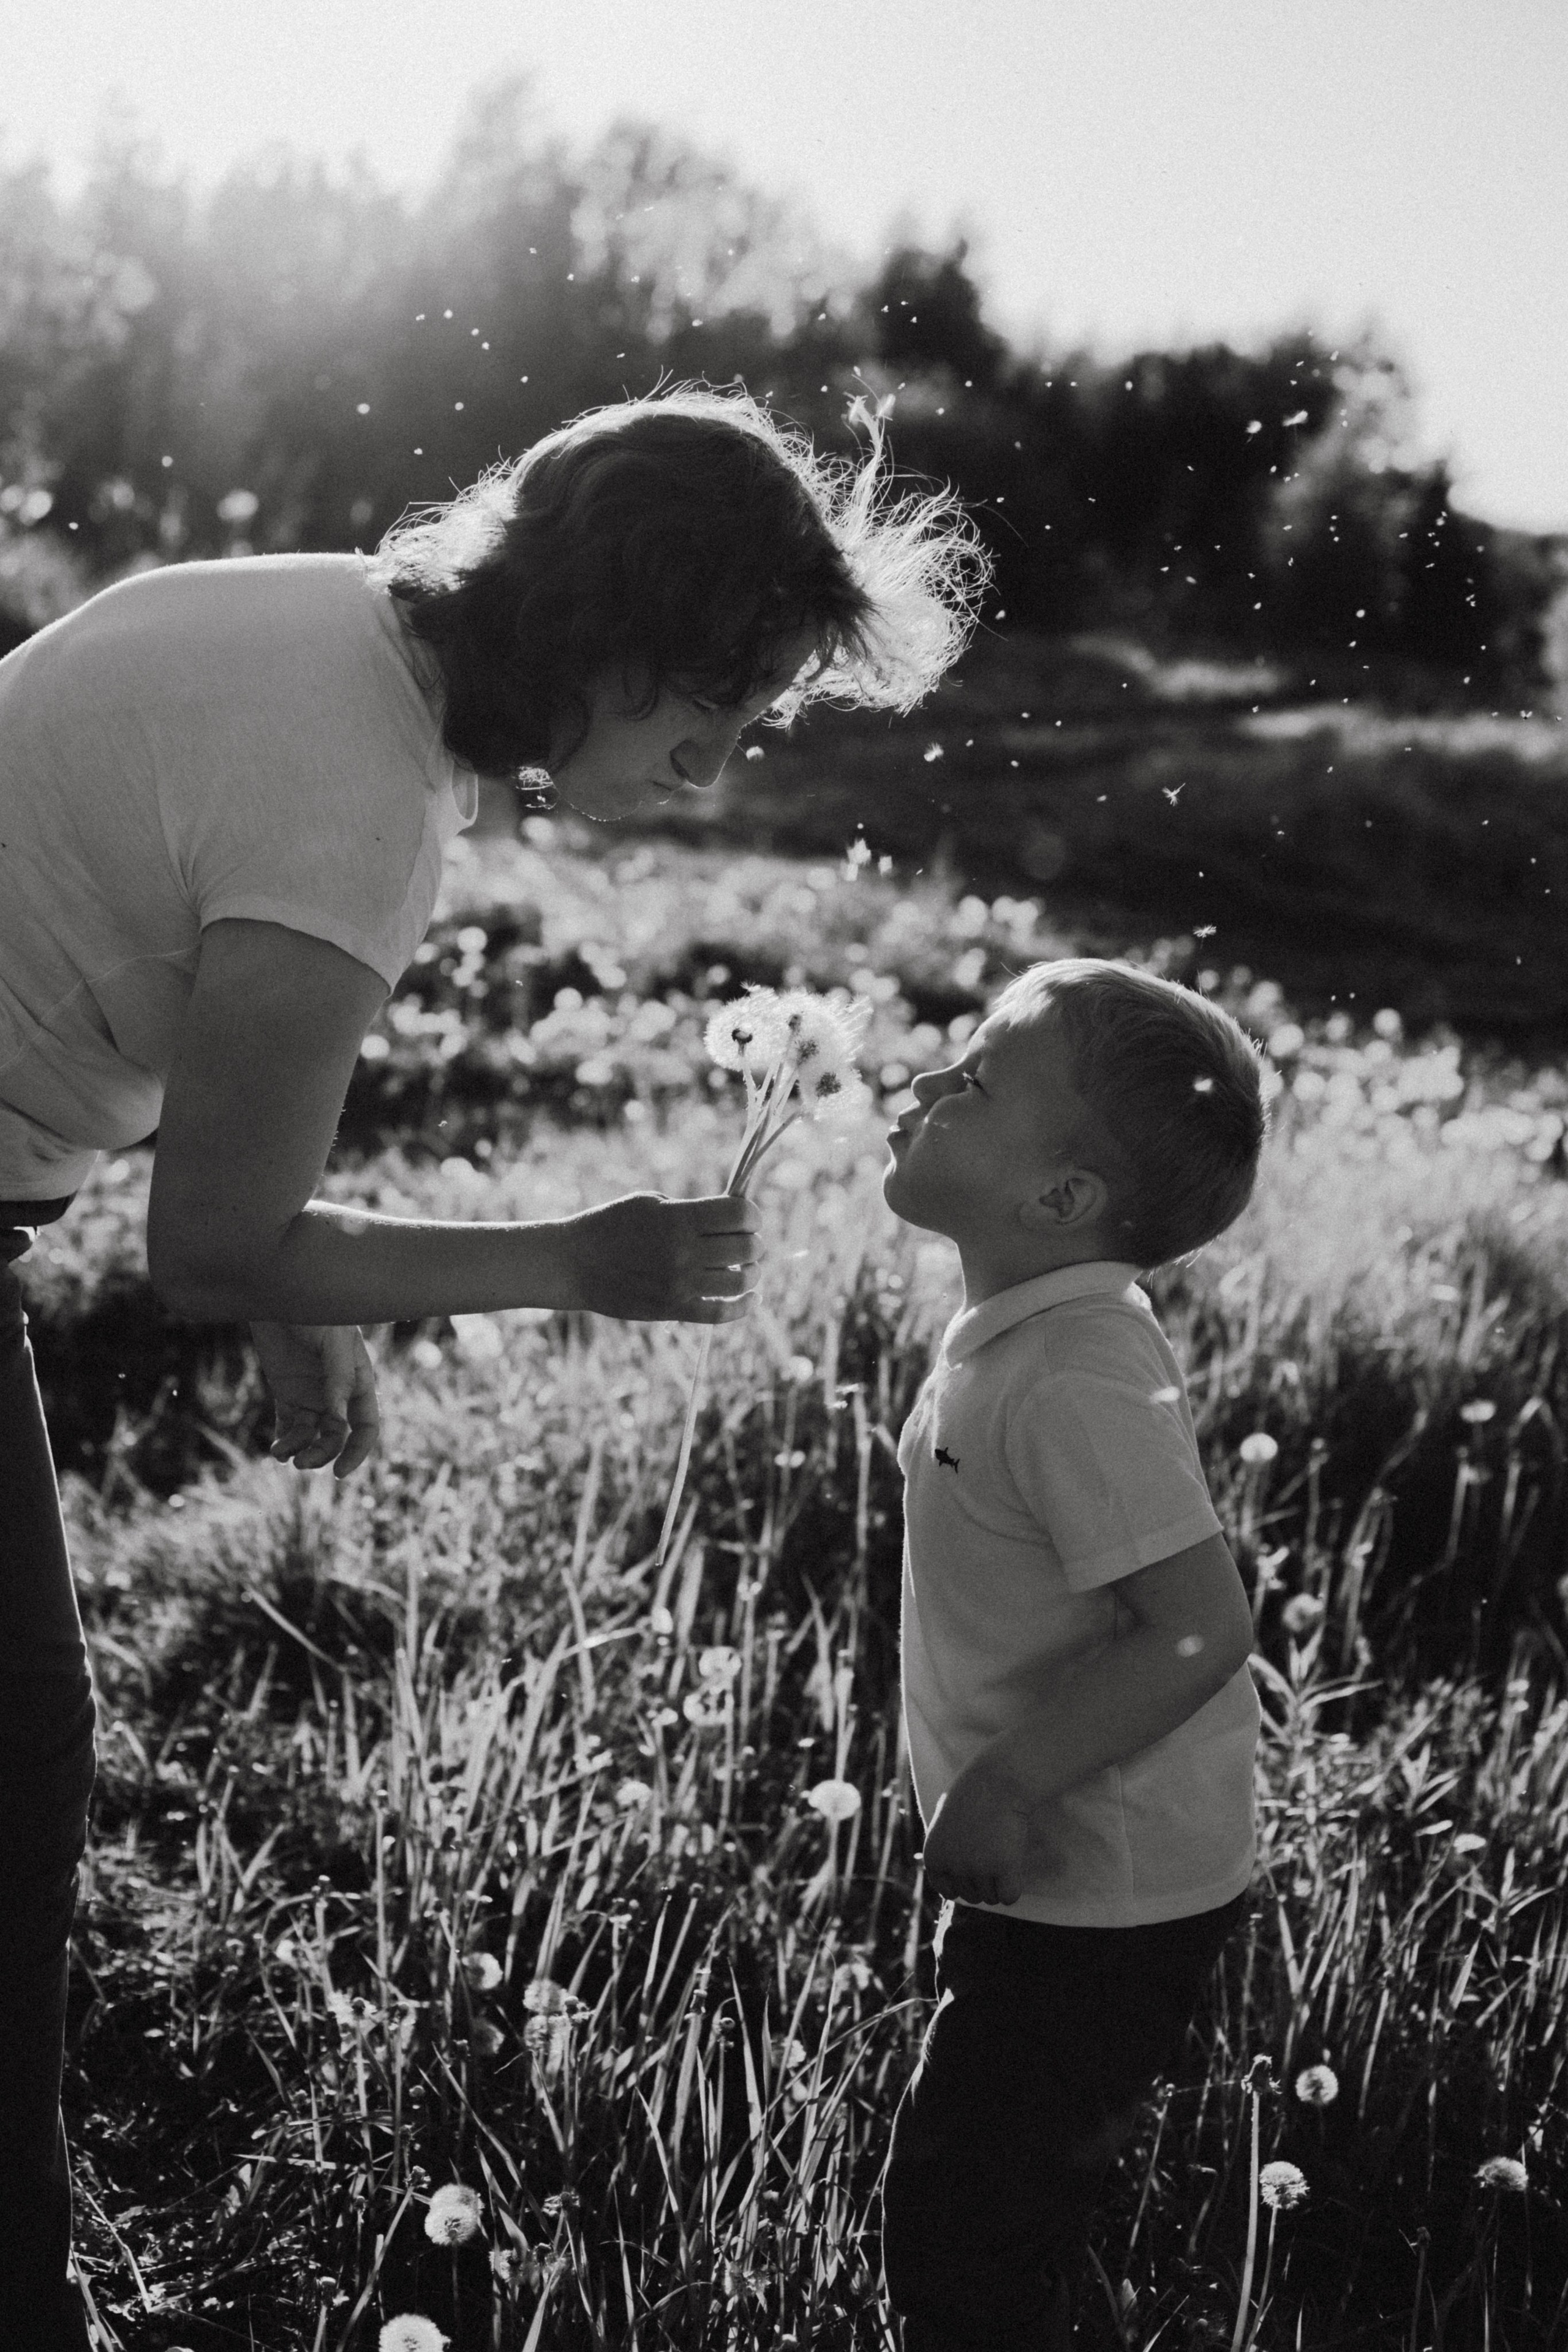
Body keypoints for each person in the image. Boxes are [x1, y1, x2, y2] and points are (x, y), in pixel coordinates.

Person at [0, 383, 985, 2349]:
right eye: (721, 709)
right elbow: (205, 1245)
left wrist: (297, 1292)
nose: (720, 769)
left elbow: (152, 966)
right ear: (614, 638)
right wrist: (578, 1261)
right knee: (20, 1750)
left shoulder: (306, 625)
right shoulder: (360, 801)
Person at [876, 957, 1268, 2352]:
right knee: (1001, 2177)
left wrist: (1004, 1783)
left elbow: (1200, 1624)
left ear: (1058, 1201)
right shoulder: (1031, 1334)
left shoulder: (1069, 1377)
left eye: (974, 1081)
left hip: (1100, 1885)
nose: (928, 1080)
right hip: (1066, 1861)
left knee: (964, 2230)